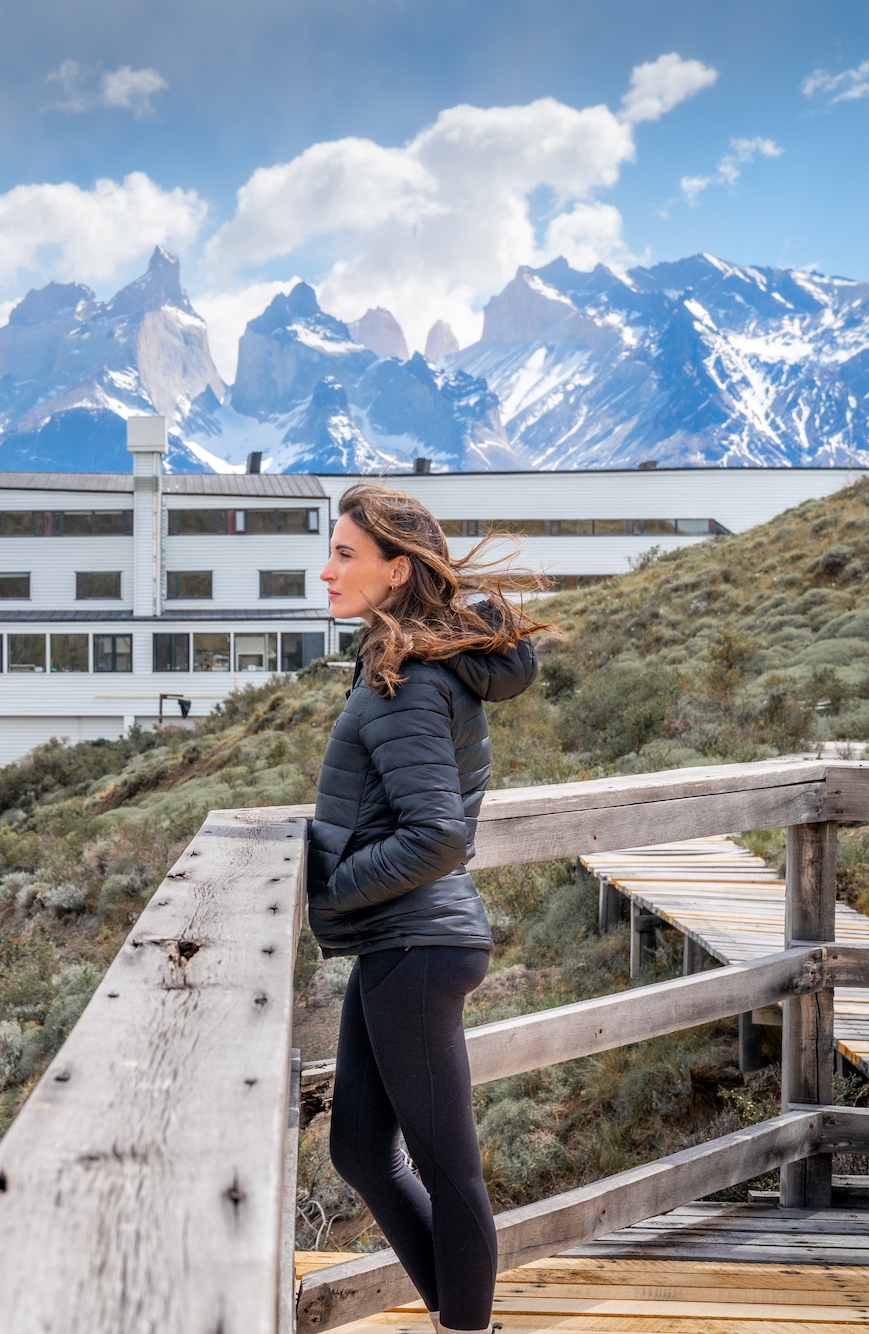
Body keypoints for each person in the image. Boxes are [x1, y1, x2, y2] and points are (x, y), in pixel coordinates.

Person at [308, 483, 542, 1334]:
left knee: (449, 1167)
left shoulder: (405, 683)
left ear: (397, 570)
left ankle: (467, 1326)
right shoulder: (397, 667)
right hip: (400, 938)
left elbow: (437, 836)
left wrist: (333, 882)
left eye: (345, 554)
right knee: (361, 1149)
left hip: (416, 942)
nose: (326, 572)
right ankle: (457, 1313)